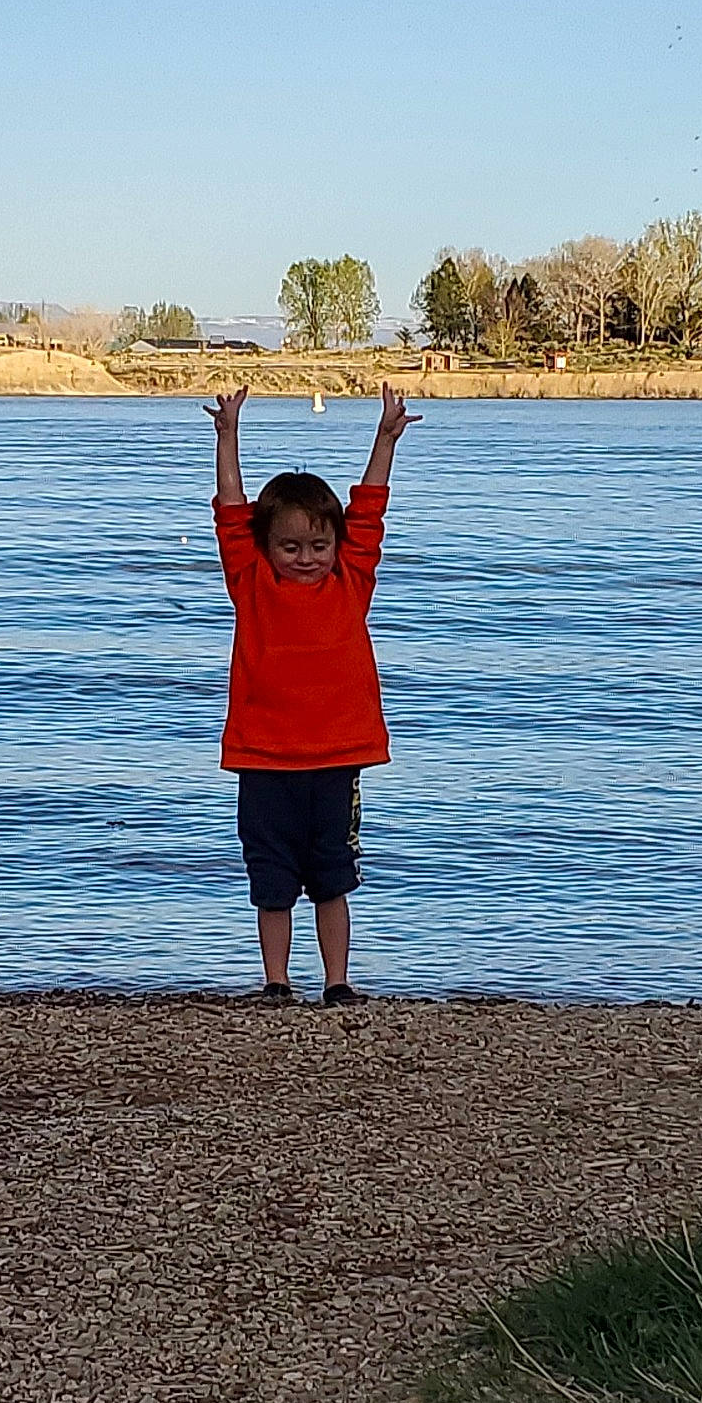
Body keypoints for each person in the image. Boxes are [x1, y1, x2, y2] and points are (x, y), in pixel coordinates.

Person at [207, 382, 421, 1005]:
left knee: (334, 879)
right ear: (266, 547)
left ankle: (337, 981)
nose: (306, 558)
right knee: (270, 881)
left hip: (336, 757)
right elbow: (231, 510)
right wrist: (228, 436)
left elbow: (370, 509)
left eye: (318, 546)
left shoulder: (351, 579)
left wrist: (385, 438)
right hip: (263, 758)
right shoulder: (250, 582)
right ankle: (276, 981)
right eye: (291, 547)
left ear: (336, 546)